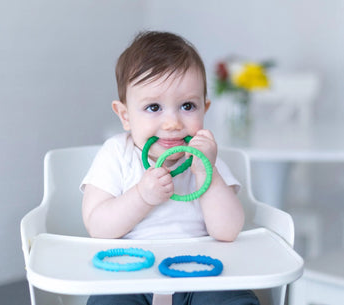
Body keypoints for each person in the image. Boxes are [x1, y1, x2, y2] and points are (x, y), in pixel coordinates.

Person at [81, 31, 260, 305]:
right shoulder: (116, 153)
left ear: (205, 108)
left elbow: (228, 231)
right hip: (129, 271)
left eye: (187, 106)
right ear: (125, 115)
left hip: (202, 273)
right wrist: (142, 196)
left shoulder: (206, 156)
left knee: (235, 300)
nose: (173, 122)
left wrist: (206, 174)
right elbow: (98, 226)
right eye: (153, 107)